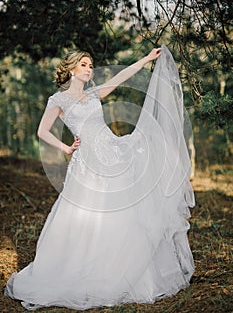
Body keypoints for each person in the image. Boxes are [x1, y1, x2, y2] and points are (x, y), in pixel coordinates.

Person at [4, 44, 195, 311]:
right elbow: (42, 131)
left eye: (91, 65)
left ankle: (119, 268)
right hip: (86, 164)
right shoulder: (58, 100)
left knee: (121, 210)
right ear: (71, 69)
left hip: (113, 154)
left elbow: (120, 77)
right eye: (84, 64)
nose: (89, 68)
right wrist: (66, 148)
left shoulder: (94, 94)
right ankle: (79, 269)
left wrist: (145, 59)